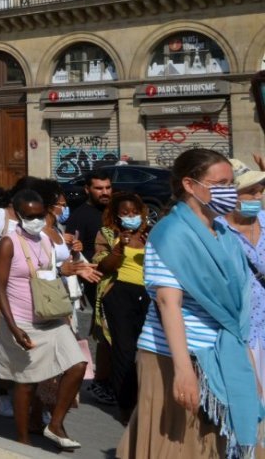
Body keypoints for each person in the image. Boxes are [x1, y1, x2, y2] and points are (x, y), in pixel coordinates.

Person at [119, 148, 263, 459]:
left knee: (212, 445)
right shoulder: (171, 234)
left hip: (222, 353)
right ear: (189, 184)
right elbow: (168, 302)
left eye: (230, 183)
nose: (228, 190)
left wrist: (249, 370)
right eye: (220, 183)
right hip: (173, 356)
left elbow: (235, 314)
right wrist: (184, 370)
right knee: (176, 446)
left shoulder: (223, 232)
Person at [0, 188, 94, 449]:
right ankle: (23, 441)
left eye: (39, 215)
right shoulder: (8, 243)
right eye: (29, 216)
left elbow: (45, 273)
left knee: (78, 364)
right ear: (18, 215)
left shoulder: (46, 239)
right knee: (26, 384)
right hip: (22, 321)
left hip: (51, 318)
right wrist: (14, 328)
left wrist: (65, 269)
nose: (35, 220)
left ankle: (55, 423)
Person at [92, 192, 151, 424]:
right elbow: (103, 266)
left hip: (147, 295)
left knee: (146, 349)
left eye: (134, 212)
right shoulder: (108, 234)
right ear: (116, 215)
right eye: (125, 213)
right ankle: (125, 405)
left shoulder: (150, 234)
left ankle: (144, 398)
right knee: (124, 350)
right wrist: (119, 248)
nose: (130, 217)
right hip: (119, 294)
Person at [68, 169, 117, 407]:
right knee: (106, 334)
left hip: (121, 280)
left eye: (108, 187)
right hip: (96, 281)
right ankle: (100, 381)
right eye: (99, 188)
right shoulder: (80, 216)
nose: (105, 192)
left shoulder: (115, 210)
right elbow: (73, 251)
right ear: (88, 189)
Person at [219, 159, 265, 403]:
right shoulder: (216, 231)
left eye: (260, 190)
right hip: (243, 335)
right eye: (250, 191)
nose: (258, 196)